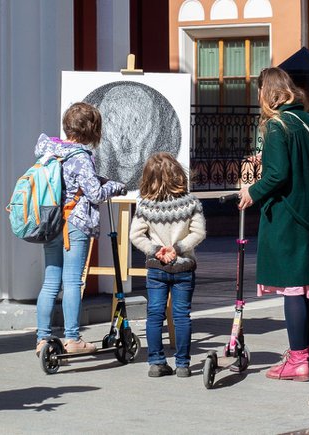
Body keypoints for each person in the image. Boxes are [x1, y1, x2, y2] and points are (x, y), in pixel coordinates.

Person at [238, 67, 309, 382]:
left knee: (293, 286)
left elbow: (278, 176)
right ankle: (308, 355)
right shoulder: (308, 122)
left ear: (268, 92)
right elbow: (307, 165)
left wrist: (252, 191)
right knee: (307, 288)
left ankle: (298, 359)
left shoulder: (277, 126)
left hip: (288, 215)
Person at [35, 102, 126, 355]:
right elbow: (95, 194)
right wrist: (116, 186)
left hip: (51, 222)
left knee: (51, 281)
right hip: (74, 224)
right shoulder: (81, 157)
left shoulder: (51, 151)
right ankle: (73, 338)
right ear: (92, 130)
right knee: (73, 281)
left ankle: (43, 339)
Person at [130, 152, 206, 378]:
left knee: (154, 314)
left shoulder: (146, 205)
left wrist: (156, 251)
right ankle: (182, 364)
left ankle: (156, 362)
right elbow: (199, 232)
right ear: (177, 174)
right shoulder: (191, 202)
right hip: (184, 266)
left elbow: (136, 235)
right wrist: (178, 248)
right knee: (182, 315)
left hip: (156, 267)